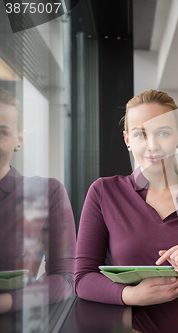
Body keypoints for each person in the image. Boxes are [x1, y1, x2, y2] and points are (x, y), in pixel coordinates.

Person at [75, 89, 178, 333]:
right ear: (127, 140)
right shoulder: (104, 193)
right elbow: (82, 279)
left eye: (162, 132)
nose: (151, 145)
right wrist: (130, 295)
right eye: (140, 134)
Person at [0, 88, 76, 315]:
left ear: (19, 139)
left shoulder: (47, 192)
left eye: (1, 132)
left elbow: (65, 280)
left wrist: (4, 302)